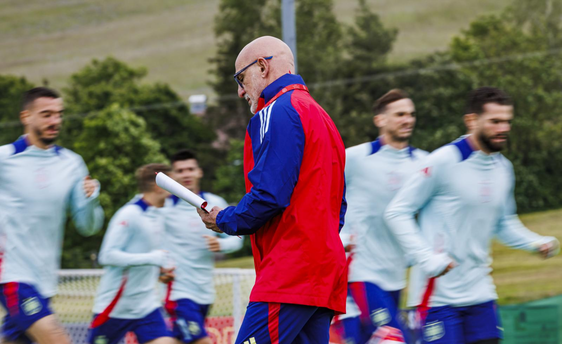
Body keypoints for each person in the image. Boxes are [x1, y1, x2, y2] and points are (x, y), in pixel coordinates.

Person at [197, 36, 347, 344]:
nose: (240, 91)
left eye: (241, 78)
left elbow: (269, 195)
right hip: (322, 269)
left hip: (291, 273)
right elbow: (338, 205)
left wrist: (224, 219)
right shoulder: (321, 115)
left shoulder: (277, 110)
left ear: (263, 67)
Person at [384, 87, 559, 344]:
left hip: (481, 294)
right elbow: (397, 212)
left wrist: (535, 242)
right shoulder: (443, 160)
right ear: (471, 121)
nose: (503, 128)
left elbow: (503, 223)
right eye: (495, 121)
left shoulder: (503, 168)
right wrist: (426, 258)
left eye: (507, 121)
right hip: (436, 299)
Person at [0, 87, 104, 344]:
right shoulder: (4, 159)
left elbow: (88, 227)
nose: (55, 121)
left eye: (59, 114)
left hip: (45, 280)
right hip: (12, 275)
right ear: (26, 116)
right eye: (46, 114)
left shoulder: (72, 163)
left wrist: (92, 199)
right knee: (58, 339)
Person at [333, 89, 427, 344]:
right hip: (360, 272)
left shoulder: (424, 164)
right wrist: (338, 236)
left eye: (411, 114)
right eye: (400, 114)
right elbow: (321, 197)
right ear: (380, 120)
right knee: (394, 338)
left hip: (397, 275)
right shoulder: (354, 158)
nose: (408, 119)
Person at [89, 164, 175, 344]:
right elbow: (107, 255)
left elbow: (149, 255)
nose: (176, 186)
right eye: (172, 182)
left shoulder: (161, 214)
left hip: (147, 307)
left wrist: (161, 271)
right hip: (115, 308)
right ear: (158, 186)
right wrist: (153, 258)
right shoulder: (129, 214)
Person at [163, 149, 242, 344]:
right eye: (181, 171)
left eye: (191, 169)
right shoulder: (162, 207)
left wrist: (221, 244)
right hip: (178, 294)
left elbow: (238, 237)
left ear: (200, 172)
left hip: (205, 293)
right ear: (172, 176)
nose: (187, 174)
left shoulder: (216, 204)